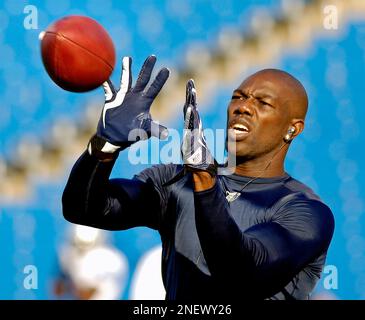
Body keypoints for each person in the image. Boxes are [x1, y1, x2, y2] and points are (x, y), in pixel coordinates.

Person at [62, 55, 335, 300]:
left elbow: (241, 271)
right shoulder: (177, 180)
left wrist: (205, 181)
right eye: (237, 97)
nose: (243, 107)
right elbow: (84, 209)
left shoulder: (306, 212)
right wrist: (104, 147)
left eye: (262, 102)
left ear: (292, 129)